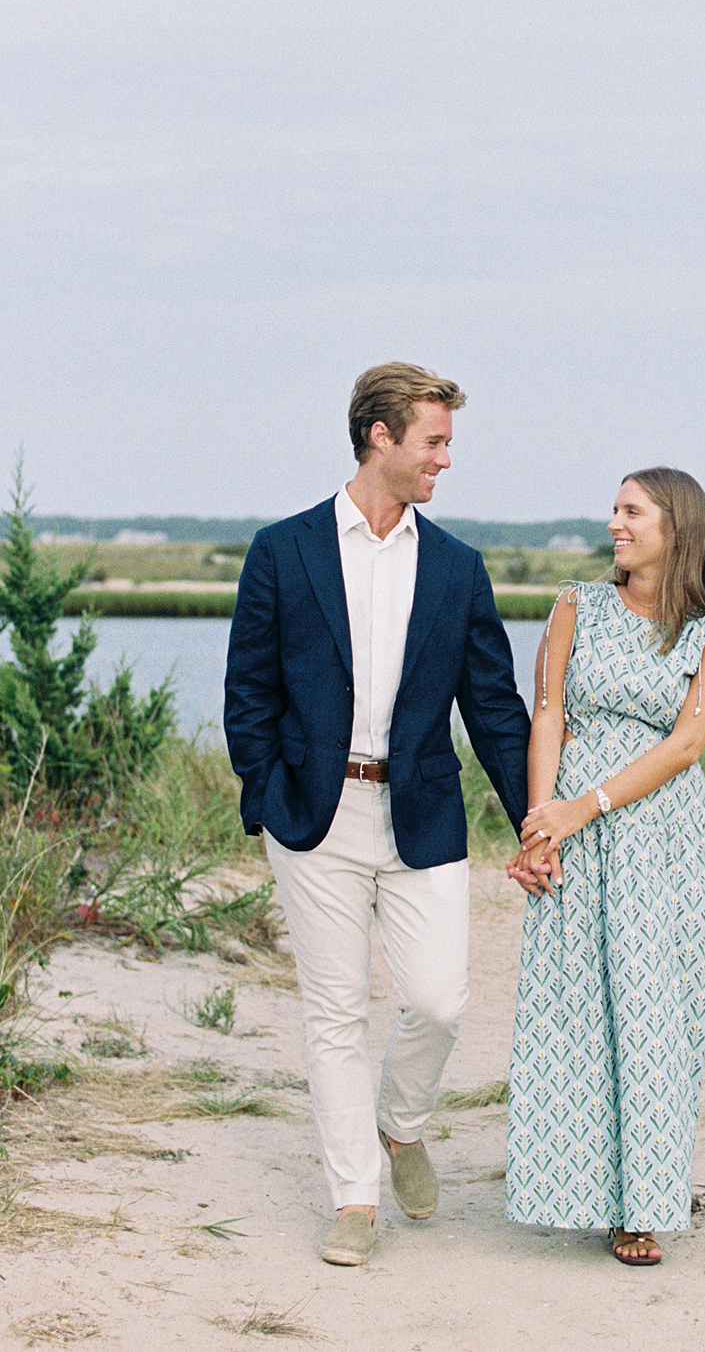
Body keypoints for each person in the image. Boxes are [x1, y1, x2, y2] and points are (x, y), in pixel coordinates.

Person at [223, 362, 531, 1266]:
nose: (446, 459)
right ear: (380, 436)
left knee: (438, 1001)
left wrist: (533, 820)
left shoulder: (459, 569)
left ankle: (402, 1124)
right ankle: (354, 1198)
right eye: (434, 441)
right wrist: (267, 799)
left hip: (422, 812)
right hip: (313, 816)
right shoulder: (283, 551)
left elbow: (495, 708)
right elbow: (248, 691)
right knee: (334, 1010)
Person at [504, 467, 705, 1267]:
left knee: (651, 1012)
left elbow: (684, 745)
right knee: (575, 1004)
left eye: (632, 511)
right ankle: (572, 1190)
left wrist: (588, 805)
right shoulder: (576, 603)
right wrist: (544, 824)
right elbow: (549, 712)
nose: (615, 523)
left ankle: (642, 1206)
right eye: (614, 509)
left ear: (676, 527)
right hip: (573, 825)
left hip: (660, 839)